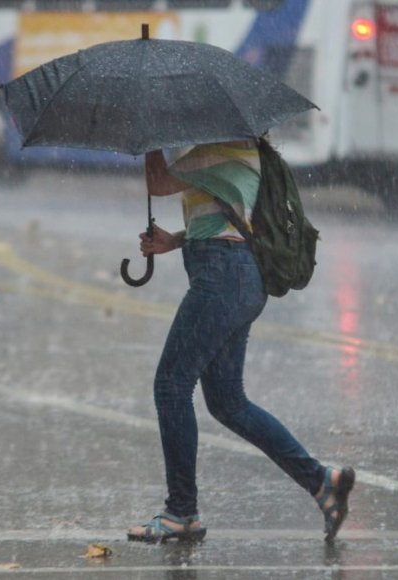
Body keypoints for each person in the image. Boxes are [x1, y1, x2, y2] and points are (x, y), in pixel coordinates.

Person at [126, 138, 354, 544]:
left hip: (224, 275)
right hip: (236, 275)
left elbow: (158, 182)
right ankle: (322, 481)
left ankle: (182, 511)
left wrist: (150, 138)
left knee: (171, 385)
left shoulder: (226, 144)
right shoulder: (236, 148)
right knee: (228, 402)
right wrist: (173, 240)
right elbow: (224, 219)